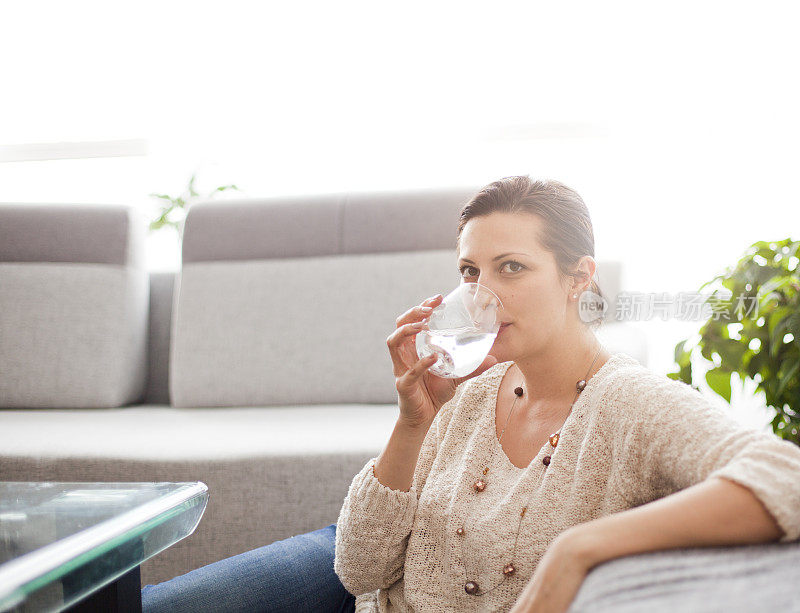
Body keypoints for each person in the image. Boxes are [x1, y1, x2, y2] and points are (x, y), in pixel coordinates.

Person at [142, 176, 800, 612]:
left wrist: (583, 547)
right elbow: (358, 566)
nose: (481, 292)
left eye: (511, 267)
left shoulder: (628, 402)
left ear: (578, 278)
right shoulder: (468, 388)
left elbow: (786, 473)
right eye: (469, 271)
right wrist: (412, 421)